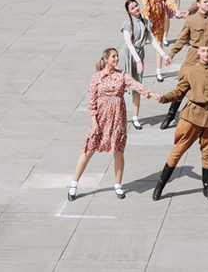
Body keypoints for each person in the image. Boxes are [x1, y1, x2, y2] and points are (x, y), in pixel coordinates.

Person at [68, 47, 161, 202]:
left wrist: (151, 93)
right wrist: (94, 121)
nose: (117, 59)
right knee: (89, 149)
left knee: (118, 151)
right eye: (113, 57)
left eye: (117, 56)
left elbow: (136, 85)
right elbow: (91, 101)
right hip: (101, 118)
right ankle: (74, 184)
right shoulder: (96, 77)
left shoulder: (122, 75)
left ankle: (118, 184)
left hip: (117, 118)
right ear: (106, 59)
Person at [153, 44, 208, 203]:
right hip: (192, 116)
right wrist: (165, 98)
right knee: (178, 151)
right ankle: (160, 185)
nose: (206, 54)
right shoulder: (191, 71)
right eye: (203, 51)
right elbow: (180, 91)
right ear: (198, 52)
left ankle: (207, 187)